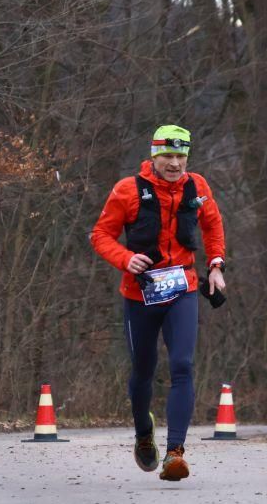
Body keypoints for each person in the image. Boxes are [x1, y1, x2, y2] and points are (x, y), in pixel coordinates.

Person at [90, 125, 226, 481]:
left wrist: (216, 265)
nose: (175, 164)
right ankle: (143, 433)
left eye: (181, 156)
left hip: (182, 289)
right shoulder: (127, 190)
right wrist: (125, 258)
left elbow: (212, 226)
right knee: (143, 370)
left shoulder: (198, 187)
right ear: (154, 156)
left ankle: (175, 453)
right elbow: (100, 234)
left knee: (182, 365)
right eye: (168, 156)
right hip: (141, 294)